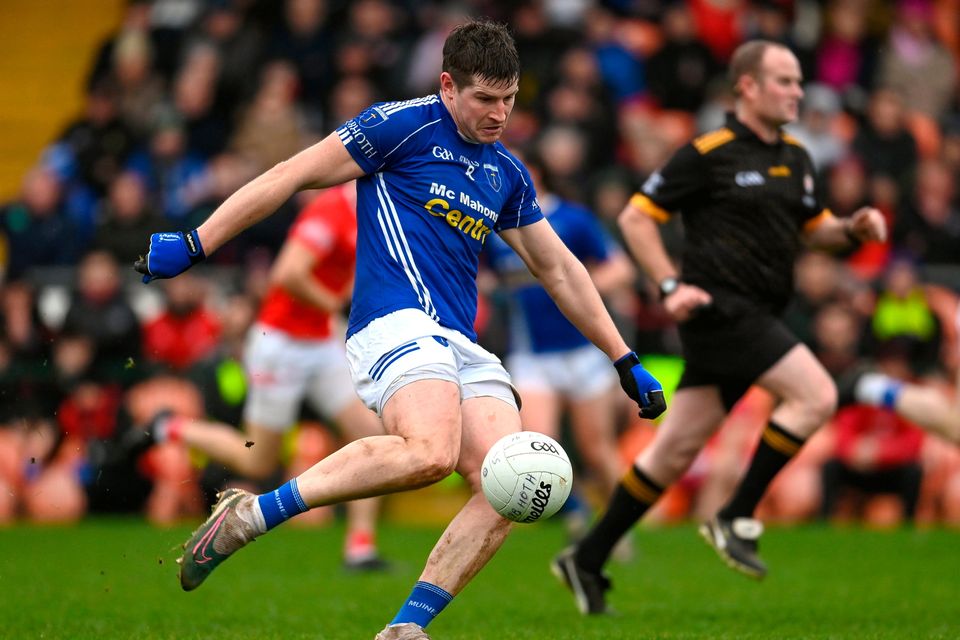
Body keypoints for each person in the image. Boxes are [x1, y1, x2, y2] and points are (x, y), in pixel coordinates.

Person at [133, 20, 665, 640]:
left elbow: (559, 269)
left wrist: (623, 357)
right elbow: (289, 173)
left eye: (510, 99)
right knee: (430, 453)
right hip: (392, 321)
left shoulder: (506, 172)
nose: (500, 114)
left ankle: (407, 629)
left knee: (517, 479)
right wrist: (198, 241)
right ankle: (254, 516)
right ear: (447, 86)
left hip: (460, 339)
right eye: (485, 99)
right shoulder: (399, 125)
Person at [551, 39, 886, 614]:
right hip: (721, 314)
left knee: (673, 452)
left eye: (800, 81)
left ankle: (587, 557)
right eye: (784, 80)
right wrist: (668, 285)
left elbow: (817, 229)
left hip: (759, 315)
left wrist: (853, 228)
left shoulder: (797, 157)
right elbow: (636, 217)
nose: (797, 92)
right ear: (748, 87)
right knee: (817, 395)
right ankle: (735, 515)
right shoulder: (709, 152)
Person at [138, 182, 390, 569]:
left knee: (371, 437)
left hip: (320, 341)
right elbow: (287, 273)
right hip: (281, 343)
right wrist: (343, 306)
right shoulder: (333, 209)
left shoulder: (377, 209)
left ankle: (360, 547)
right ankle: (170, 427)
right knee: (257, 460)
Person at [483, 154, 636, 539]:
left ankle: (620, 531)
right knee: (540, 449)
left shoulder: (573, 218)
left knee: (597, 449)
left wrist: (571, 289)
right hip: (532, 356)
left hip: (584, 353)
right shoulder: (493, 226)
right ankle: (577, 509)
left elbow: (621, 269)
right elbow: (481, 277)